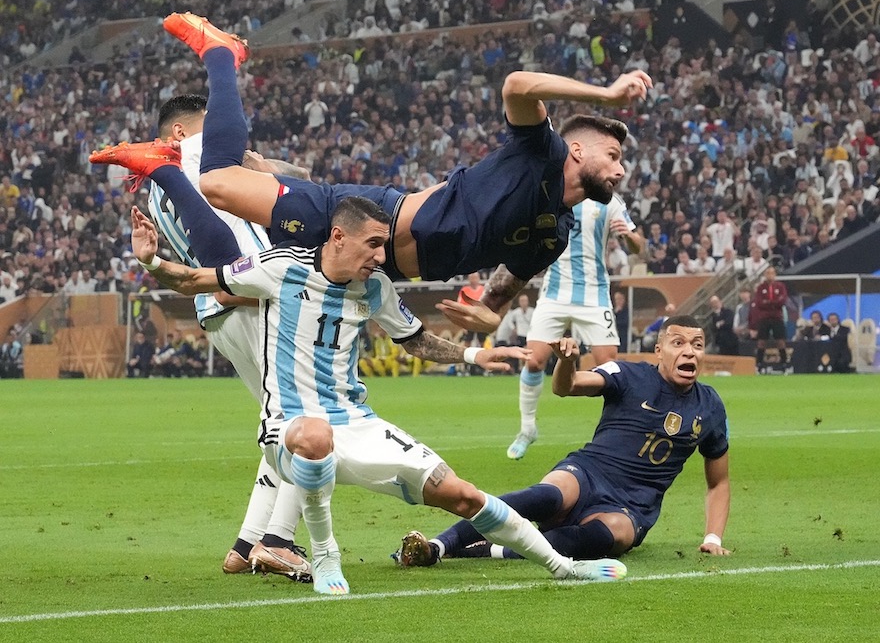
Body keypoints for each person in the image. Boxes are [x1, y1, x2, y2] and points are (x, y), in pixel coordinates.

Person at [129, 196, 628, 595]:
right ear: (338, 237)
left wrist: (475, 357)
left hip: (359, 422)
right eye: (372, 245)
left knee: (464, 494)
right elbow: (195, 279)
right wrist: (152, 260)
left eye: (383, 247)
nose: (380, 256)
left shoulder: (375, 289)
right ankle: (324, 554)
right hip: (289, 426)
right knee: (316, 434)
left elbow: (413, 339)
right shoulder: (279, 268)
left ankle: (562, 567)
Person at [110, 13, 651, 333]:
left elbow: (501, 292)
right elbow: (516, 84)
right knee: (216, 182)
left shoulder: (556, 232)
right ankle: (220, 59)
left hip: (369, 263)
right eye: (613, 155)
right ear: (577, 151)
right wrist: (605, 93)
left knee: (231, 287)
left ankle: (165, 168)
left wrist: (488, 316)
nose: (621, 171)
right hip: (368, 218)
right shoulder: (540, 149)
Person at [93, 94, 311, 581]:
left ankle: (247, 543)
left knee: (282, 423)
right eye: (213, 125)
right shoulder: (202, 162)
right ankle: (279, 540)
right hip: (251, 300)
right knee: (311, 423)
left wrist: (260, 165)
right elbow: (304, 183)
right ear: (181, 135)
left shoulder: (158, 189)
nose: (228, 134)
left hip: (216, 309)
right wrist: (264, 167)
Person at [394, 316, 731, 568]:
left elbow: (719, 482)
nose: (689, 352)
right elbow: (565, 387)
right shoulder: (628, 375)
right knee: (546, 496)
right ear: (659, 350)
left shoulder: (710, 406)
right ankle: (439, 545)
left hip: (631, 506)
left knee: (609, 536)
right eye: (678, 343)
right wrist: (567, 362)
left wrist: (712, 538)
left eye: (697, 345)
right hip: (587, 473)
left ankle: (491, 549)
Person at [507, 194, 642, 459]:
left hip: (594, 295)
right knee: (533, 361)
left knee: (609, 366)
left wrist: (628, 235)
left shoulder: (609, 201)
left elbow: (638, 247)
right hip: (555, 293)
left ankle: (616, 435)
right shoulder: (556, 193)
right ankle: (527, 429)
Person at [750, 266, 789, 370]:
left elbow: (782, 301)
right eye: (767, 273)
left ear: (775, 274)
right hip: (764, 318)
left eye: (772, 273)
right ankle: (759, 365)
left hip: (777, 317)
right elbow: (759, 303)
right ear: (764, 275)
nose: (769, 275)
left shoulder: (780, 286)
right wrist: (773, 303)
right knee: (761, 341)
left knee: (780, 341)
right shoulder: (761, 288)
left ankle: (784, 364)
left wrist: (769, 302)